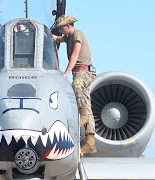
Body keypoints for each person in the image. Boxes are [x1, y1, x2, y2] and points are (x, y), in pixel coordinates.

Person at [52, 15, 97, 156]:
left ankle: (82, 116)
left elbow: (75, 55)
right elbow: (56, 39)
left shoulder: (78, 35)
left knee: (76, 85)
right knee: (87, 104)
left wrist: (65, 73)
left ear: (68, 25)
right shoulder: (68, 37)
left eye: (62, 28)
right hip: (78, 72)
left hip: (84, 72)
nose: (61, 31)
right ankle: (90, 142)